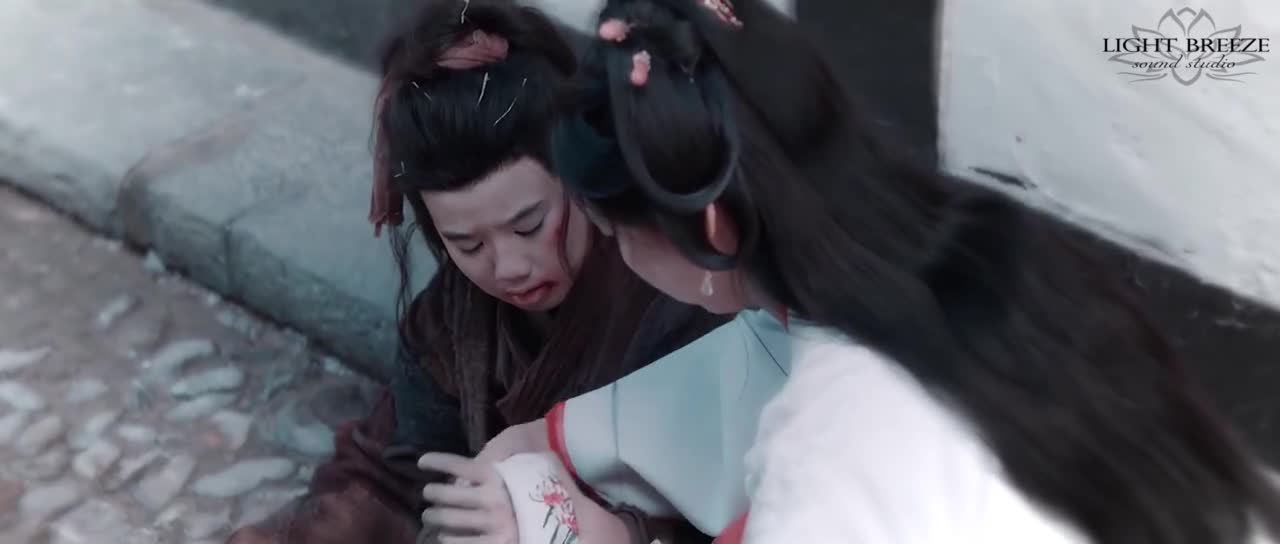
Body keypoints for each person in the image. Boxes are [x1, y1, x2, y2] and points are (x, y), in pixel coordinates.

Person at [416, 0, 1280, 543]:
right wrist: (542, 475)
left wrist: (575, 530)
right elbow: (630, 419)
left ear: (711, 227)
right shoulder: (978, 255)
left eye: (610, 230)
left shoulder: (838, 444)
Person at [225, 1, 727, 543]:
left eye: (529, 225)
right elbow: (395, 472)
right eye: (468, 243)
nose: (508, 268)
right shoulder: (452, 316)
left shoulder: (678, 301)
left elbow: (717, 503)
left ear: (578, 178)